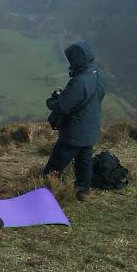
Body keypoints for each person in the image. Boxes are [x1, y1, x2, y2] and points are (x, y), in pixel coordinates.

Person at [44, 40, 106, 201]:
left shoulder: (79, 81)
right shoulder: (99, 76)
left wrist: (51, 101)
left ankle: (45, 192)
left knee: (54, 166)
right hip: (90, 129)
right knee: (84, 162)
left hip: (74, 133)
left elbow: (63, 107)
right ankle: (83, 191)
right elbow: (95, 98)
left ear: (76, 60)